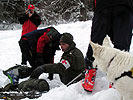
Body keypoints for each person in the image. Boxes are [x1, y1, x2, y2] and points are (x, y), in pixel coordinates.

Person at [82, 0, 133, 92]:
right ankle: (118, 78)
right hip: (124, 6)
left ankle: (90, 73)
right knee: (122, 43)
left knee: (96, 40)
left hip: (103, 6)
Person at [19, 33, 85, 91]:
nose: (61, 46)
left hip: (74, 85)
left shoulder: (71, 56)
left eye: (63, 44)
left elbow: (60, 67)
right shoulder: (74, 51)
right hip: (75, 83)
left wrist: (44, 68)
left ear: (69, 44)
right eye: (60, 44)